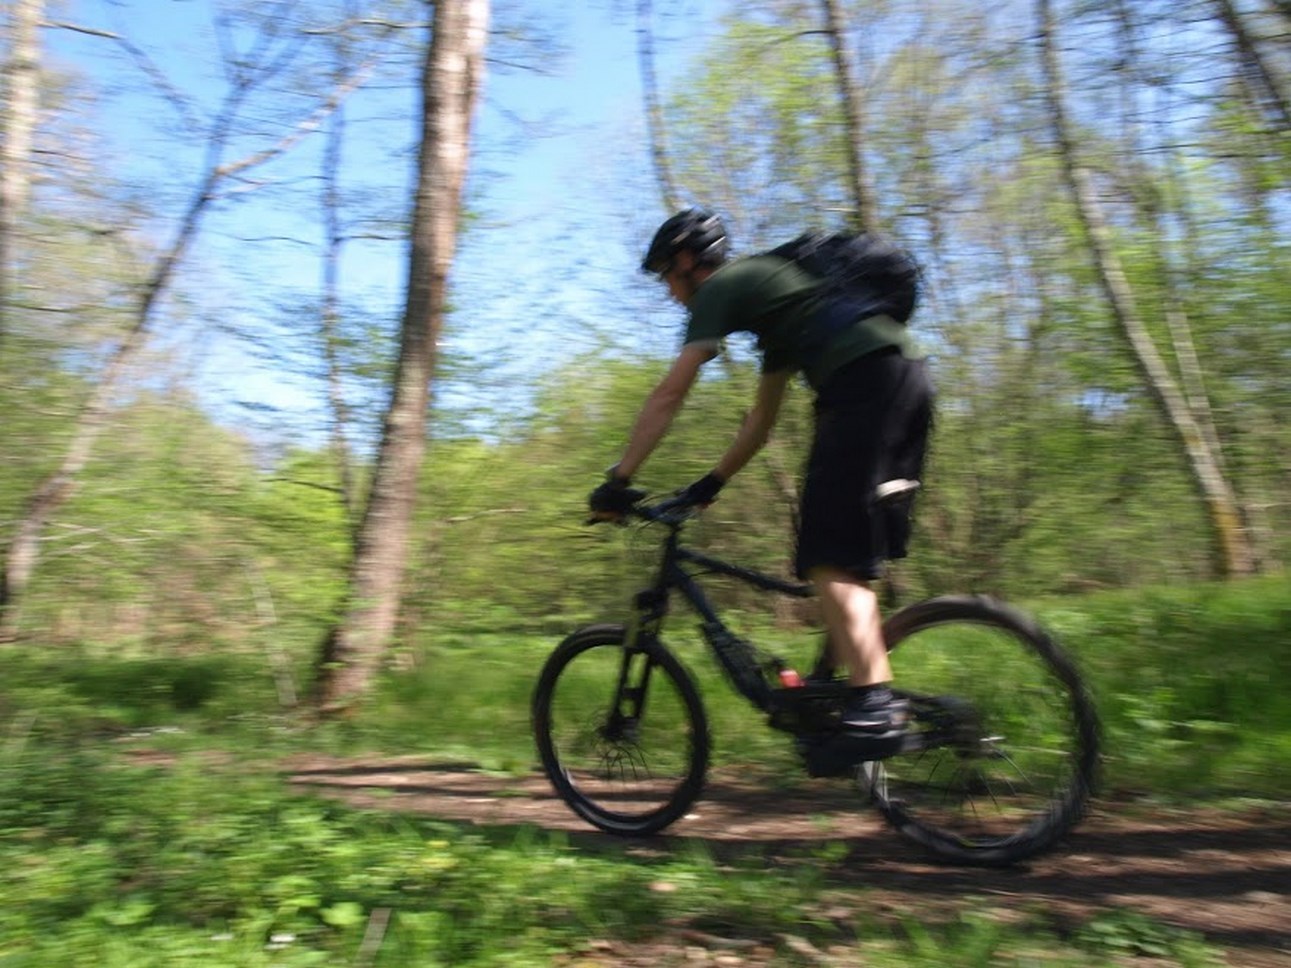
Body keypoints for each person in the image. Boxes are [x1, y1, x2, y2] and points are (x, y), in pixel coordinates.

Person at [588, 208, 933, 751]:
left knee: (830, 559)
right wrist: (710, 484)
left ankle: (875, 706)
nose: (671, 294)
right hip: (905, 380)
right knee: (842, 553)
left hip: (863, 388)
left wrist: (619, 479)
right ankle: (836, 701)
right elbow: (761, 422)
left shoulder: (722, 287)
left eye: (666, 279)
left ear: (685, 262)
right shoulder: (781, 311)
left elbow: (671, 392)